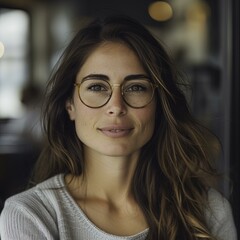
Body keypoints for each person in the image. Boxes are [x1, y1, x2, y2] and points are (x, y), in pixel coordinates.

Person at [0, 16, 237, 240]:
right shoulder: (31, 214)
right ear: (69, 104)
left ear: (159, 103)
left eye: (135, 87)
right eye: (96, 87)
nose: (116, 106)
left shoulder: (208, 211)